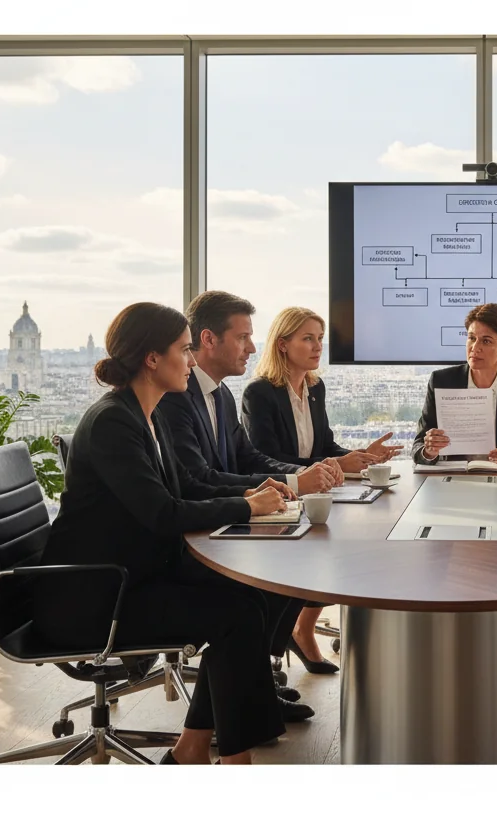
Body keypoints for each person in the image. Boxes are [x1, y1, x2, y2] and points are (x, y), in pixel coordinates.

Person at [34, 302, 307, 764]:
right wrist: (246, 505)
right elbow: (162, 513)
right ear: (152, 359)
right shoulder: (113, 423)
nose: (192, 360)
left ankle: (195, 749)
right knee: (235, 613)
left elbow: (188, 487)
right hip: (95, 597)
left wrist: (250, 494)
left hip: (132, 575)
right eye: (184, 350)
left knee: (250, 596)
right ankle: (228, 758)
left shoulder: (147, 414)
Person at [158, 292, 343, 680]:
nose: (251, 348)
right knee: (280, 572)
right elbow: (198, 479)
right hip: (194, 536)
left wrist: (294, 478)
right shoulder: (176, 399)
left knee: (297, 557)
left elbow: (249, 457)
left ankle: (258, 676)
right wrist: (293, 481)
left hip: (222, 519)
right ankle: (254, 680)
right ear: (209, 339)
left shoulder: (220, 394)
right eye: (243, 337)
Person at [241, 305, 402, 672]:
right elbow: (264, 459)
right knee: (315, 558)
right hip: (281, 495)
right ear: (283, 344)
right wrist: (332, 467)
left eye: (320, 339)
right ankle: (286, 640)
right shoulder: (259, 393)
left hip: (317, 492)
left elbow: (326, 446)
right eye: (308, 339)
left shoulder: (315, 387)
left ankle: (301, 629)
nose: (318, 347)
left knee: (341, 545)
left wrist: (360, 456)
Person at [412, 303, 497, 468]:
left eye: (486, 341)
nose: (475, 347)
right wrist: (429, 451)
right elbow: (418, 445)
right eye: (472, 338)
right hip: (453, 475)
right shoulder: (441, 380)